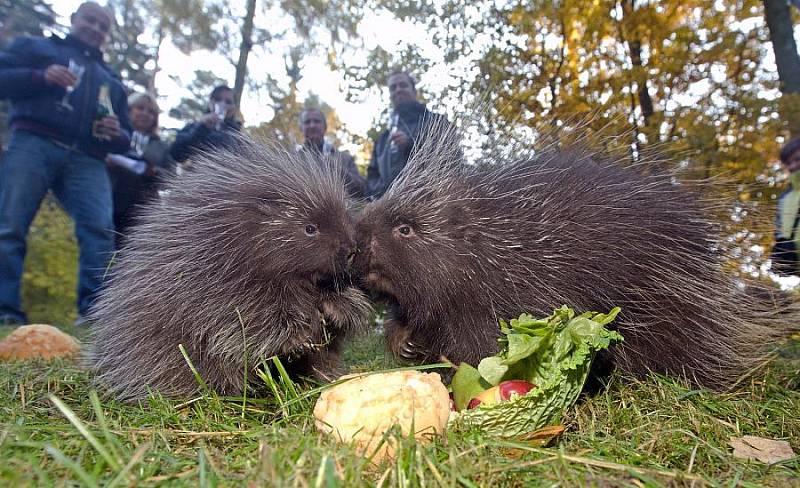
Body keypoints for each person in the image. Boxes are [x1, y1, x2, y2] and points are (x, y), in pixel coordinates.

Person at [0, 1, 131, 326]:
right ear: (74, 19)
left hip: (87, 157)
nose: (96, 29)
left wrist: (115, 134)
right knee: (10, 224)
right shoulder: (38, 48)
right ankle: (5, 308)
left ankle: (95, 311)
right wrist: (40, 76)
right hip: (34, 140)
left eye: (103, 27)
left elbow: (126, 135)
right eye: (90, 21)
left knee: (100, 228)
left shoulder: (110, 80)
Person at [365, 70, 451, 199]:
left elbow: (449, 159)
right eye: (393, 88)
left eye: (403, 85)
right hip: (388, 210)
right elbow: (372, 177)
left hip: (432, 206)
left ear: (414, 91)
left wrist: (411, 145)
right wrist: (382, 194)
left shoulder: (436, 122)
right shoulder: (382, 140)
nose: (398, 90)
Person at [107, 93, 175, 249]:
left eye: (151, 111)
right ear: (129, 110)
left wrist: (153, 172)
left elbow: (171, 176)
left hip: (142, 206)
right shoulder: (113, 134)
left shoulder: (160, 146)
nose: (145, 114)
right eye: (140, 108)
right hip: (110, 197)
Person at [298, 107, 364, 198]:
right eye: (307, 122)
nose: (312, 125)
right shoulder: (291, 159)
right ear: (301, 128)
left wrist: (339, 171)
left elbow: (362, 190)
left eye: (317, 121)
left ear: (325, 127)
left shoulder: (345, 158)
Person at [170, 85, 242, 164]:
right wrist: (202, 129)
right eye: (217, 99)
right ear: (210, 102)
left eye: (228, 102)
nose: (222, 104)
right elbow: (176, 155)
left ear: (235, 108)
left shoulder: (240, 137)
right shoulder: (193, 127)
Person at [771, 138, 800, 276]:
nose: (792, 166)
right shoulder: (785, 198)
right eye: (788, 163)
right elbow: (779, 233)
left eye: (797, 159)